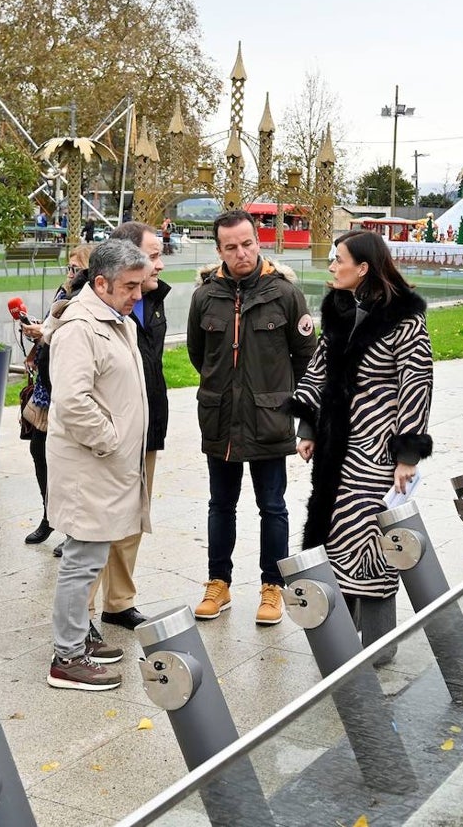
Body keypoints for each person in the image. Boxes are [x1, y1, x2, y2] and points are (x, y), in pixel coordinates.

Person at [289, 231, 433, 650]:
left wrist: (407, 454)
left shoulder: (404, 317)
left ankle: (377, 642)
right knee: (334, 532)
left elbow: (417, 381)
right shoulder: (337, 308)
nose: (332, 267)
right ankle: (340, 636)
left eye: (339, 260)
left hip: (375, 446)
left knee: (369, 538)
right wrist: (309, 427)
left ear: (364, 268)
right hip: (336, 444)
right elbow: (319, 367)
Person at [187, 209, 317, 625]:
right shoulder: (204, 296)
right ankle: (218, 584)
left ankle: (272, 587)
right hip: (220, 419)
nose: (241, 253)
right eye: (231, 247)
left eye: (247, 244)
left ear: (258, 242)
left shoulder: (284, 294)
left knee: (272, 506)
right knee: (220, 504)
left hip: (269, 420)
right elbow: (198, 355)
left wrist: (304, 421)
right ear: (219, 249)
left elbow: (308, 363)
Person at [46, 239, 152, 691]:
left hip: (104, 467)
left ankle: (77, 643)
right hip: (91, 466)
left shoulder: (113, 318)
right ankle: (66, 658)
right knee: (82, 560)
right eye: (131, 286)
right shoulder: (80, 327)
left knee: (88, 558)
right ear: (102, 282)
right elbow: (72, 401)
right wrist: (111, 442)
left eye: (141, 285)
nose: (138, 295)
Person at [90, 222, 169, 630]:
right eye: (153, 255)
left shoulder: (154, 300)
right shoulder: (91, 306)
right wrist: (108, 435)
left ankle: (119, 602)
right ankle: (80, 617)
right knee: (92, 527)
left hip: (146, 427)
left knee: (133, 518)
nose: (160, 264)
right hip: (107, 437)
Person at [20, 244, 93, 547]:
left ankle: (72, 530)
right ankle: (49, 515)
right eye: (69, 267)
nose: (70, 274)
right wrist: (38, 337)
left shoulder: (85, 300)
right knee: (39, 452)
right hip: (44, 392)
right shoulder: (62, 294)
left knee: (68, 463)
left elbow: (66, 335)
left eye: (77, 269)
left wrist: (44, 333)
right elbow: (52, 329)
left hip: (66, 392)